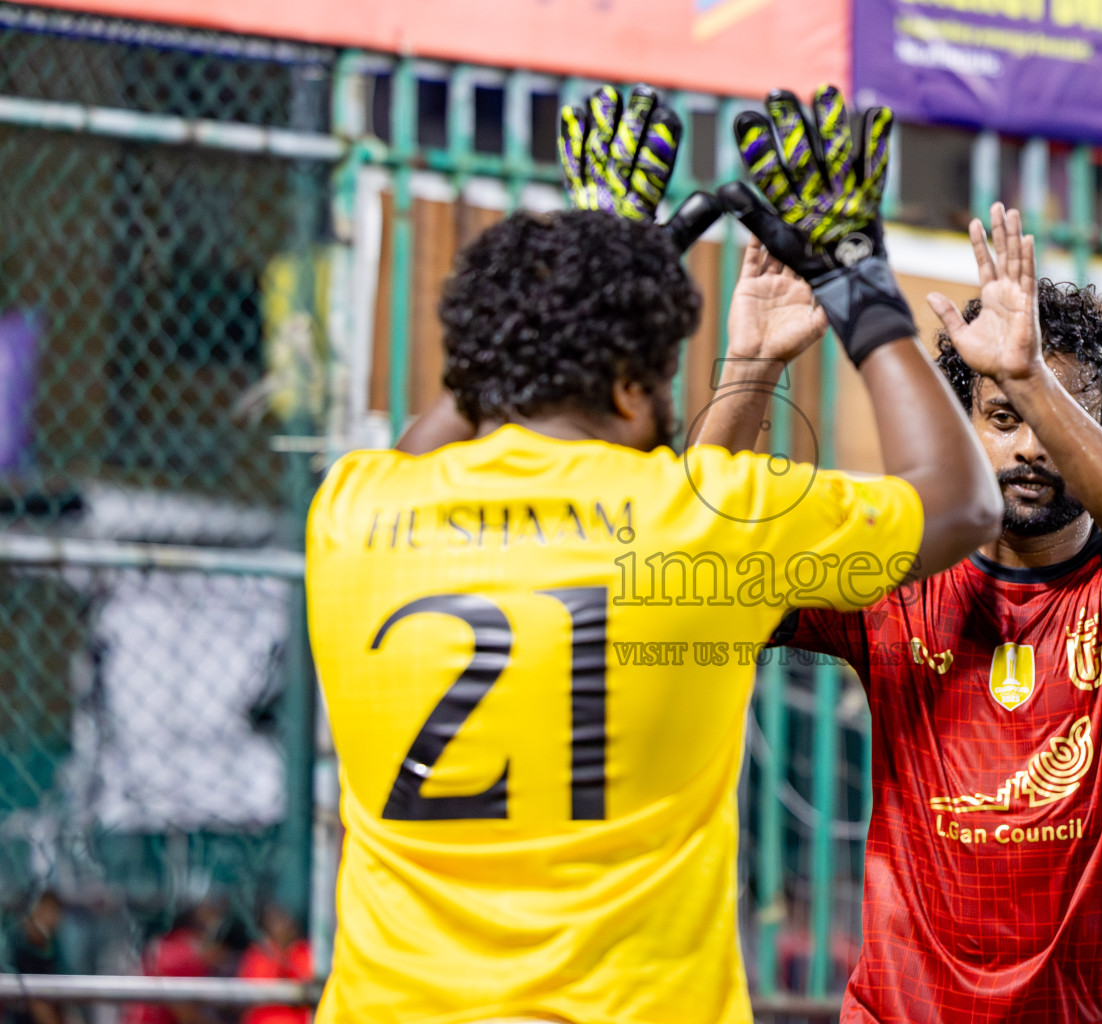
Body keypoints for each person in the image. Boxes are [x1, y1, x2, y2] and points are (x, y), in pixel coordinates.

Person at [304, 86, 1005, 1024]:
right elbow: (960, 502)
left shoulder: (351, 513)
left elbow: (471, 409)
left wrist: (590, 269)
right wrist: (853, 275)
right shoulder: (710, 519)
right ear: (633, 389)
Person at [715, 199, 1102, 1022]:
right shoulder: (895, 577)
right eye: (1003, 418)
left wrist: (1027, 379)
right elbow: (706, 557)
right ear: (968, 430)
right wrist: (749, 364)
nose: (1030, 447)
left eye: (1057, 428)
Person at [236, 904, 312, 1024]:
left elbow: (310, 986)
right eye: (277, 920)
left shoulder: (305, 951)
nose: (285, 924)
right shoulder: (258, 953)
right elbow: (255, 991)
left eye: (287, 919)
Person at [4, 890, 65, 1024]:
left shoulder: (55, 945)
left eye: (54, 912)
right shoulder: (15, 941)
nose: (50, 918)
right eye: (45, 910)